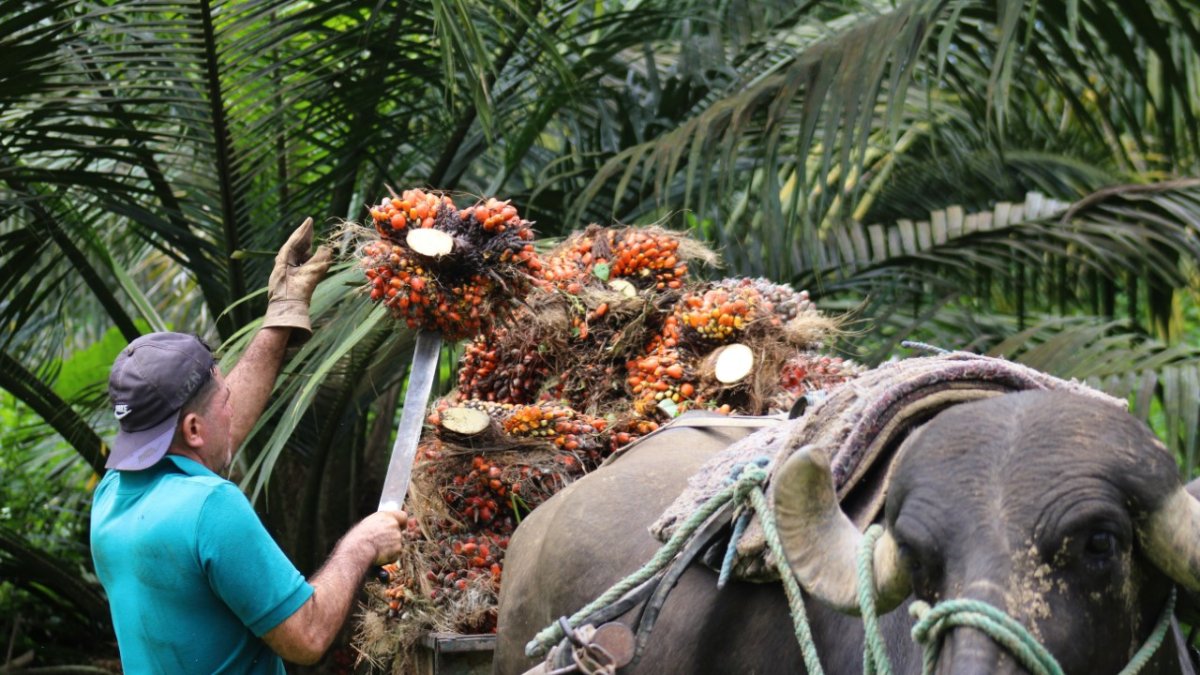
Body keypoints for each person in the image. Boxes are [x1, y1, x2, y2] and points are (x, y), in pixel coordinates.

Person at [90, 218, 408, 672]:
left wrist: (282, 313)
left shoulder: (112, 496)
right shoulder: (212, 508)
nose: (231, 408)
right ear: (195, 430)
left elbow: (215, 427)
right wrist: (362, 543)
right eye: (223, 401)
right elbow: (307, 636)